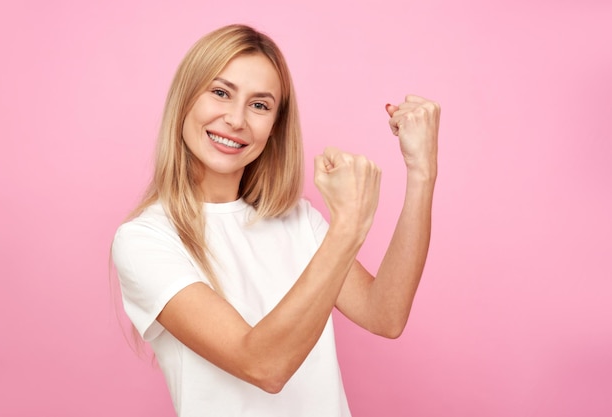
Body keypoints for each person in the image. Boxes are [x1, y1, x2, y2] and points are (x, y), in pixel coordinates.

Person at [111, 23, 440, 417]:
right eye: (220, 92)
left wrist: (421, 171)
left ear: (274, 126)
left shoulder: (297, 220)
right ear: (185, 100)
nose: (236, 119)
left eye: (260, 105)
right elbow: (263, 366)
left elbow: (384, 315)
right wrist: (348, 227)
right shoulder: (145, 239)